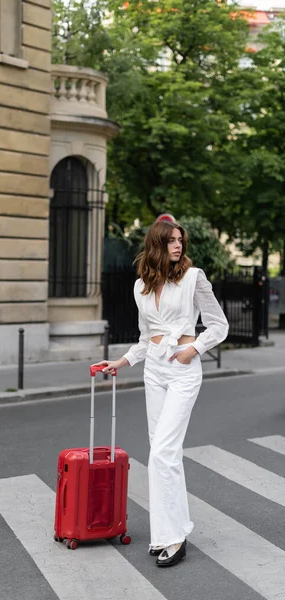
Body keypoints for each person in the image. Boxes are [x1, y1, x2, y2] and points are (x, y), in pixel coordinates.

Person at [92, 220, 228, 567]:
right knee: (164, 453)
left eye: (180, 240)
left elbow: (219, 325)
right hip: (153, 370)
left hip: (182, 370)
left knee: (163, 453)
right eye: (170, 241)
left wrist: (193, 349)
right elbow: (144, 338)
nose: (178, 246)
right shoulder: (140, 286)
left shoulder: (193, 278)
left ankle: (172, 538)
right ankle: (174, 528)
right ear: (157, 245)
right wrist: (122, 361)